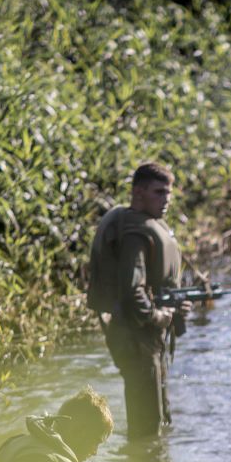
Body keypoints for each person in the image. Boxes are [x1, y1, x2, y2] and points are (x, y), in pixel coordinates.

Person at [86, 163, 188, 438]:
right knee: (146, 428)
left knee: (156, 417)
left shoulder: (145, 225)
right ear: (138, 192)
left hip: (142, 338)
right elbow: (134, 292)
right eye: (158, 192)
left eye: (168, 193)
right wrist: (159, 316)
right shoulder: (135, 233)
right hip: (135, 337)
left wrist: (175, 306)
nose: (165, 199)